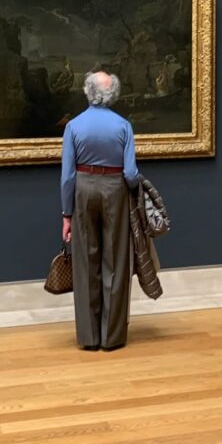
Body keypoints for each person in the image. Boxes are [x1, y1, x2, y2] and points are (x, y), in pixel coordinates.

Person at [61, 71, 139, 351]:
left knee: (85, 262)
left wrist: (66, 214)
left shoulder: (74, 126)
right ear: (113, 93)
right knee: (115, 261)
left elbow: (67, 176)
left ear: (88, 91)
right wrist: (135, 190)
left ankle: (88, 337)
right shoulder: (123, 126)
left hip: (83, 187)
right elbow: (131, 173)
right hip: (115, 188)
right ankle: (112, 337)